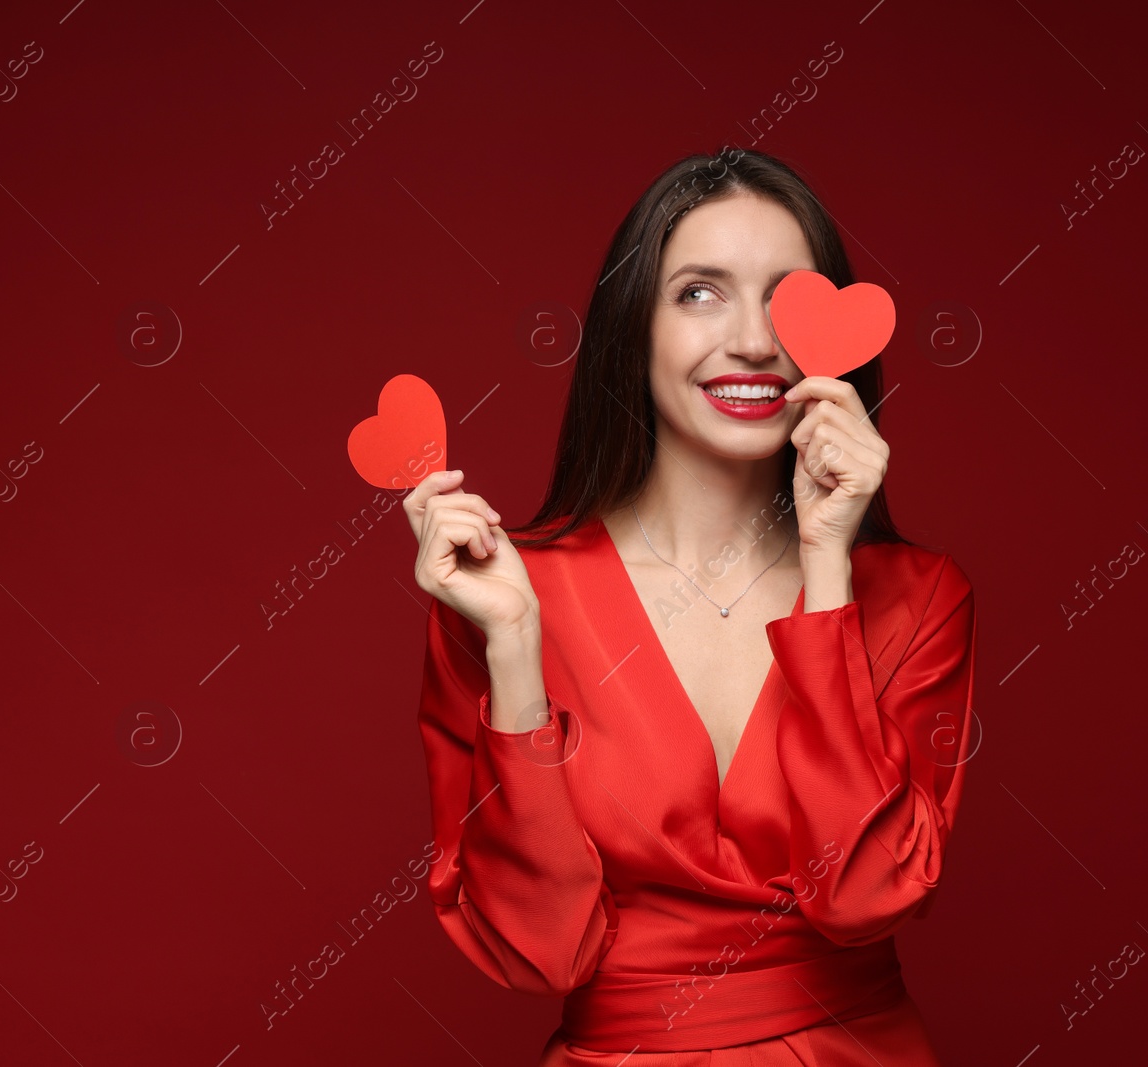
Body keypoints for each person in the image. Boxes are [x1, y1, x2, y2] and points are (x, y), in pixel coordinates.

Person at [405, 146, 976, 1066]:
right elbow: (538, 947)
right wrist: (513, 646)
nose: (752, 340)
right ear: (633, 329)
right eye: (700, 292)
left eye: (787, 298)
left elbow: (866, 895)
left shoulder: (918, 600)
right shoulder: (503, 595)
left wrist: (827, 569)